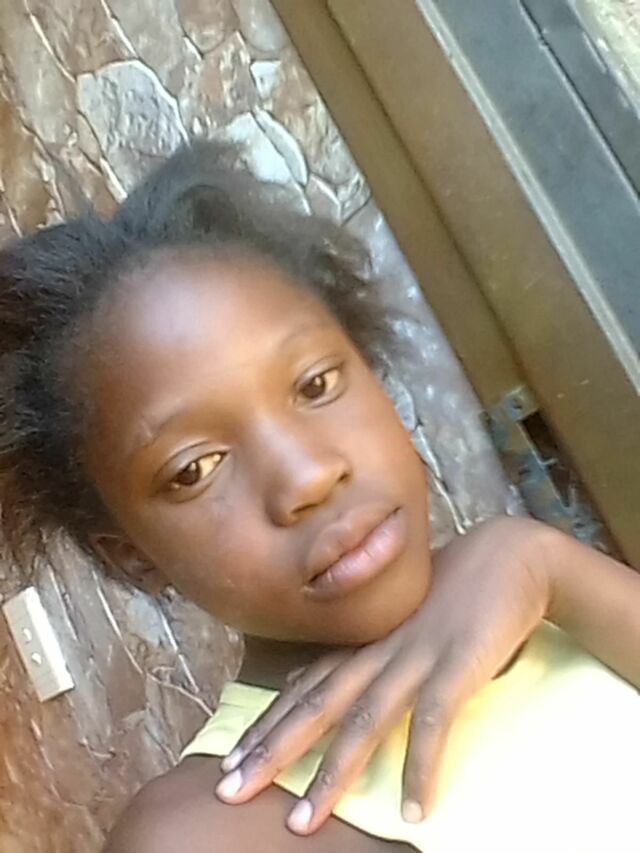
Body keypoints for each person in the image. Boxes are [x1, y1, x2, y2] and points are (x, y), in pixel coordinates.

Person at [0, 142, 638, 853]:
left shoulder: (535, 595)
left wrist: (547, 564)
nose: (307, 476)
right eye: (195, 468)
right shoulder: (209, 834)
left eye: (316, 385)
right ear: (133, 556)